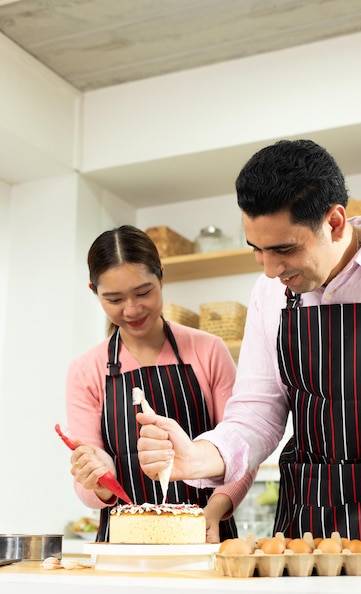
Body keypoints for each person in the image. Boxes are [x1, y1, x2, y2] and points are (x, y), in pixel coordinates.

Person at [137, 139, 361, 566]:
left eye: (284, 249)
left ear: (336, 221)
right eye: (257, 250)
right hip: (305, 524)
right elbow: (257, 412)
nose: (270, 269)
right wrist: (197, 456)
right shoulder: (270, 291)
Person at [66, 225, 256, 543]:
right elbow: (90, 481)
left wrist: (216, 509)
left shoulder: (208, 350)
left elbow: (240, 449)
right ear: (94, 291)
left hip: (205, 534)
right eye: (113, 299)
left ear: (161, 277)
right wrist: (96, 480)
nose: (131, 309)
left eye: (143, 293)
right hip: (123, 545)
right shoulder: (86, 370)